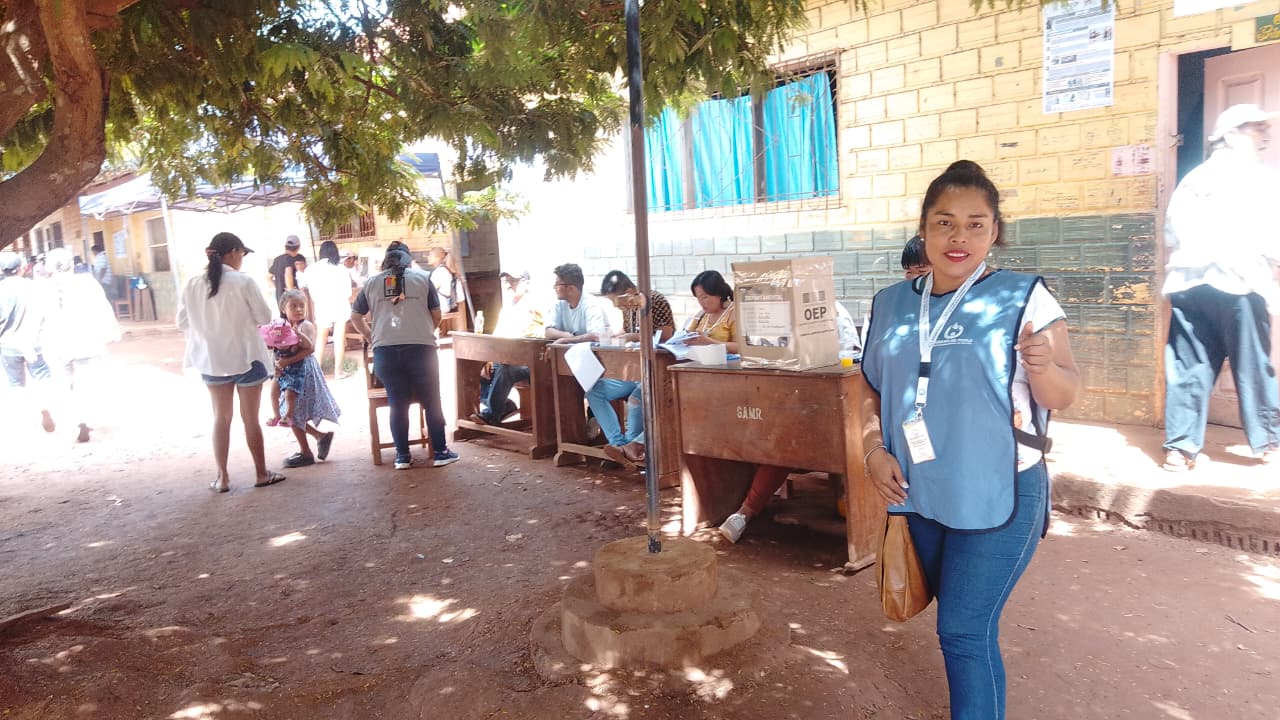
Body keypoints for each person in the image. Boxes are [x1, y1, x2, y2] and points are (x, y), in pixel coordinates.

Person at [859, 160, 1078, 718]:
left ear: (996, 230)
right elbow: (868, 388)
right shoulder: (890, 304)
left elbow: (1061, 395)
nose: (959, 238)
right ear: (924, 228)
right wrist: (871, 449)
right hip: (918, 492)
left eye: (976, 225)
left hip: (999, 491)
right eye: (945, 222)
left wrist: (1045, 366)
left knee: (963, 629)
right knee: (947, 617)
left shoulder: (1026, 298)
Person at [1161, 103, 1280, 471]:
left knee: (1189, 365)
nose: (1263, 136)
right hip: (1238, 282)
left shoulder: (1194, 179)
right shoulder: (1257, 177)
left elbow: (1172, 232)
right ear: (1229, 136)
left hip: (1188, 282)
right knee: (1253, 365)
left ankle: (1180, 449)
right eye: (1254, 129)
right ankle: (1268, 444)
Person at [178, 232, 286, 492]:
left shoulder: (192, 283)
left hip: (211, 360)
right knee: (251, 419)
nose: (242, 259)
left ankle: (222, 478)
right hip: (247, 357)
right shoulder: (243, 282)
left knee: (220, 418)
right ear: (233, 252)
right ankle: (260, 473)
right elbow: (263, 316)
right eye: (242, 254)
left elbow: (182, 323)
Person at [350, 247, 460, 469]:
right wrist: (425, 330)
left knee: (397, 404)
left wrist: (372, 337)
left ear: (385, 263)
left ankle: (402, 456)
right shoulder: (423, 278)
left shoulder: (371, 282)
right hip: (421, 350)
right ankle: (440, 452)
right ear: (409, 262)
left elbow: (355, 316)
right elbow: (437, 314)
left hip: (385, 354)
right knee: (431, 400)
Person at [589, 270, 674, 462]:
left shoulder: (655, 300)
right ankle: (619, 445)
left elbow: (666, 336)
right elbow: (629, 333)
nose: (615, 306)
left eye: (616, 300)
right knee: (594, 390)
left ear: (629, 291)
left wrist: (631, 337)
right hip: (633, 370)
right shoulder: (628, 309)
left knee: (639, 393)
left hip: (656, 370)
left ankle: (630, 446)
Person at [40, 248, 121, 443]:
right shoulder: (87, 282)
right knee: (85, 384)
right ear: (72, 263)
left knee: (63, 384)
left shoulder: (43, 287)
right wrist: (112, 332)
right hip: (86, 341)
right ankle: (83, 421)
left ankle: (62, 415)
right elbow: (103, 308)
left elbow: (38, 318)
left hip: (56, 343)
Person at [272, 290, 340, 467]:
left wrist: (286, 361)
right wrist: (279, 364)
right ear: (283, 308)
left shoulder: (306, 326)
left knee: (293, 411)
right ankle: (319, 437)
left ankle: (306, 451)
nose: (298, 309)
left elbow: (309, 349)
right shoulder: (282, 326)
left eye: (301, 306)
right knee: (291, 411)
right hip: (289, 371)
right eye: (293, 306)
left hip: (303, 372)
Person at [0, 251, 56, 433]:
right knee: (41, 376)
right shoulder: (33, 287)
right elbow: (45, 312)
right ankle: (45, 407)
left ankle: (25, 419)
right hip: (33, 342)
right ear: (22, 269)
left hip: (8, 344)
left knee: (15, 383)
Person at [300, 241, 357, 379]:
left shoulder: (311, 269)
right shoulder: (341, 269)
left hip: (321, 306)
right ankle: (338, 372)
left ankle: (317, 372)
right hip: (339, 305)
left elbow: (303, 287)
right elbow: (348, 293)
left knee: (321, 339)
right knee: (338, 338)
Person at [684, 270, 738, 353]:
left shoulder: (734, 312)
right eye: (698, 298)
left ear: (718, 293)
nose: (701, 302)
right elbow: (689, 334)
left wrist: (709, 342)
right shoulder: (701, 314)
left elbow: (741, 347)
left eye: (705, 297)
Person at [267, 235, 304, 303]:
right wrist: (291, 291)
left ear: (285, 246)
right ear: (299, 246)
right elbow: (288, 274)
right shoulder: (298, 258)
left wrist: (278, 287)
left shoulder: (277, 260)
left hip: (281, 297)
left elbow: (268, 277)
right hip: (294, 297)